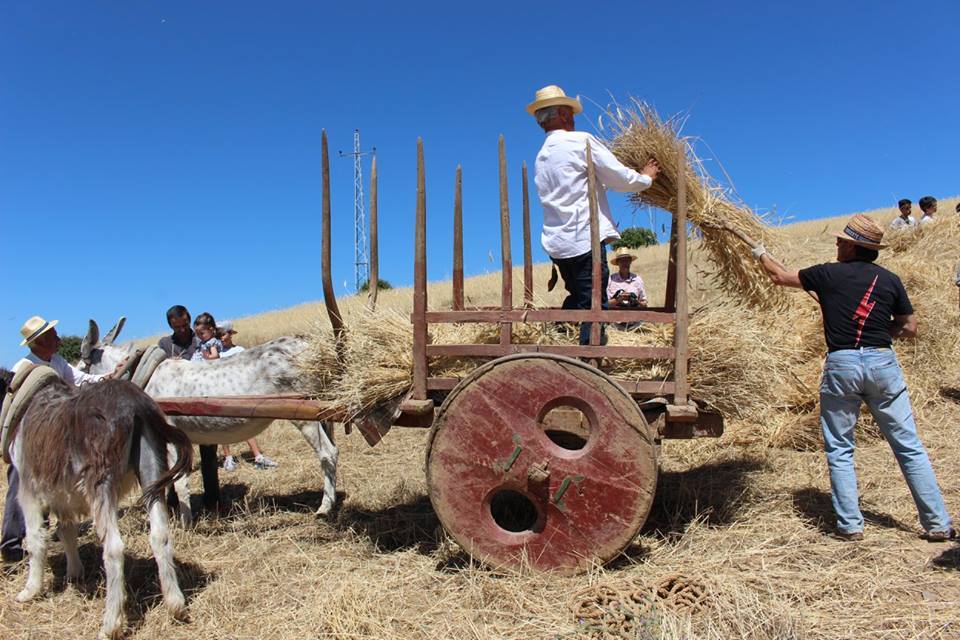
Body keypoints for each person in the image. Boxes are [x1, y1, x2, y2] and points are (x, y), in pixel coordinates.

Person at [753, 214, 954, 541]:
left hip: (842, 364)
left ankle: (850, 525)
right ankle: (937, 524)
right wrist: (879, 330)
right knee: (908, 446)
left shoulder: (827, 274)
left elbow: (778, 276)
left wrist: (758, 251)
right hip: (882, 362)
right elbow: (911, 327)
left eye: (841, 241)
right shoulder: (889, 279)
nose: (836, 243)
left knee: (840, 447)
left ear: (852, 247)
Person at [529, 84, 660, 345]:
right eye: (571, 113)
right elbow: (619, 177)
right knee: (594, 305)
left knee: (579, 296)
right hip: (583, 239)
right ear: (564, 115)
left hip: (558, 244)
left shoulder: (541, 156)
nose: (574, 118)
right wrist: (645, 178)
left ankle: (554, 341)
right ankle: (589, 361)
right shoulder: (580, 142)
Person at [3, 316, 125, 562]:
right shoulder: (23, 368)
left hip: (54, 434)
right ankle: (12, 544)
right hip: (29, 437)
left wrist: (109, 377)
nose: (58, 338)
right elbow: (16, 407)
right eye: (53, 335)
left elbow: (79, 380)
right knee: (21, 484)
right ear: (40, 341)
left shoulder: (57, 362)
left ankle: (44, 536)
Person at [156, 305, 218, 511]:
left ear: (189, 320)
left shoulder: (201, 338)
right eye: (177, 327)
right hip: (174, 411)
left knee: (209, 454)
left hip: (201, 403)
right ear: (171, 325)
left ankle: (213, 499)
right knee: (174, 456)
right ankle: (175, 500)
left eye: (184, 325)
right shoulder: (164, 345)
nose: (182, 330)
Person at [216, 322, 278, 471]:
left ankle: (258, 456)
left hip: (240, 393)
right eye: (219, 336)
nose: (221, 338)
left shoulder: (240, 350)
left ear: (230, 334)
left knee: (245, 425)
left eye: (223, 334)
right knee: (223, 426)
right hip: (222, 393)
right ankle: (228, 457)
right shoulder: (216, 353)